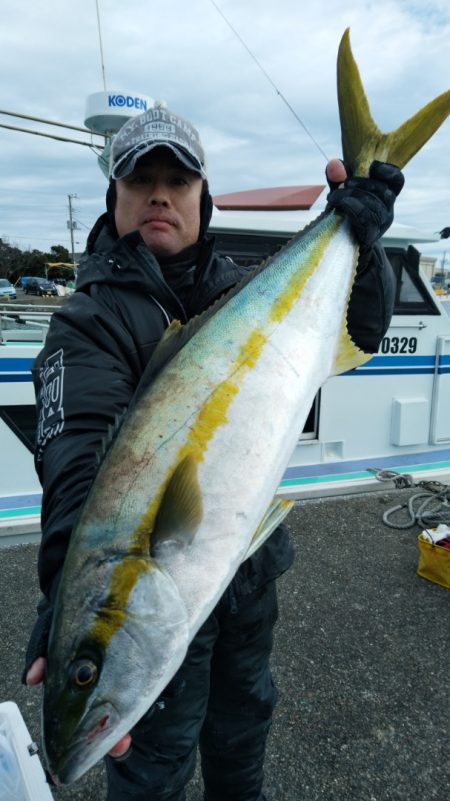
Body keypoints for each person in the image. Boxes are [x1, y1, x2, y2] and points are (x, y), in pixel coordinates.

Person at [24, 103, 404, 801]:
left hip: (247, 583)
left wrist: (361, 234)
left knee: (242, 737)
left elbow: (362, 324)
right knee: (152, 776)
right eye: (141, 181)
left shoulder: (241, 285)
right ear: (115, 198)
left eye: (179, 179)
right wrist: (66, 582)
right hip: (171, 608)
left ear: (205, 198)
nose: (160, 195)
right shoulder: (87, 321)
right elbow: (76, 458)